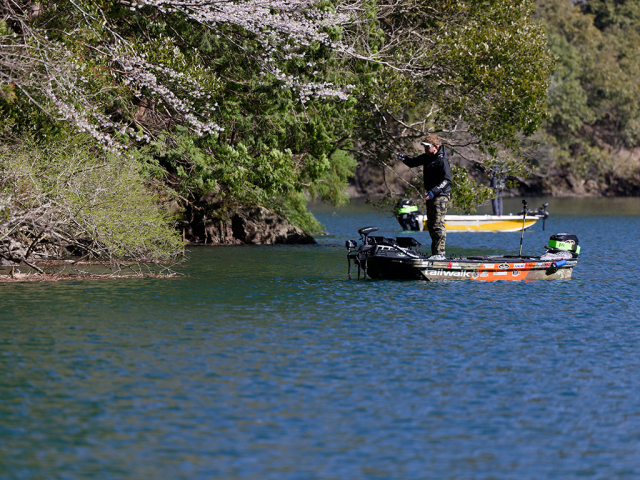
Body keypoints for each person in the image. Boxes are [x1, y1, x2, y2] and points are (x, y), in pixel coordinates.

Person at [397, 134, 452, 260]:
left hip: (441, 195)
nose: (425, 150)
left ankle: (440, 254)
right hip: (431, 196)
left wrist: (435, 191)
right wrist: (403, 158)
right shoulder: (427, 157)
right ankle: (435, 254)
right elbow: (412, 163)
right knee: (431, 225)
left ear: (436, 147)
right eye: (425, 147)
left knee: (438, 224)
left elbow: (447, 179)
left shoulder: (442, 160)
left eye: (428, 147)